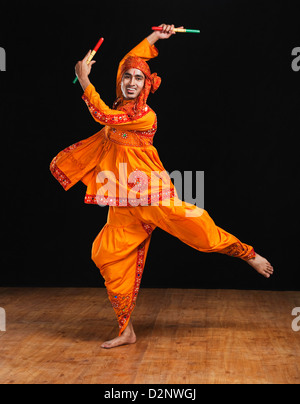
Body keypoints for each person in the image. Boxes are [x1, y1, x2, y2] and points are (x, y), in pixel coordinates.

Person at [50, 24, 274, 349]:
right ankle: (126, 329)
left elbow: (102, 115)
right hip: (124, 201)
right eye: (126, 77)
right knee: (106, 255)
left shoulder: (143, 115)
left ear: (147, 86)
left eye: (138, 78)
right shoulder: (120, 100)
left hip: (154, 195)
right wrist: (157, 37)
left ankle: (246, 254)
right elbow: (131, 58)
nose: (130, 82)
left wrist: (83, 78)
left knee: (200, 230)